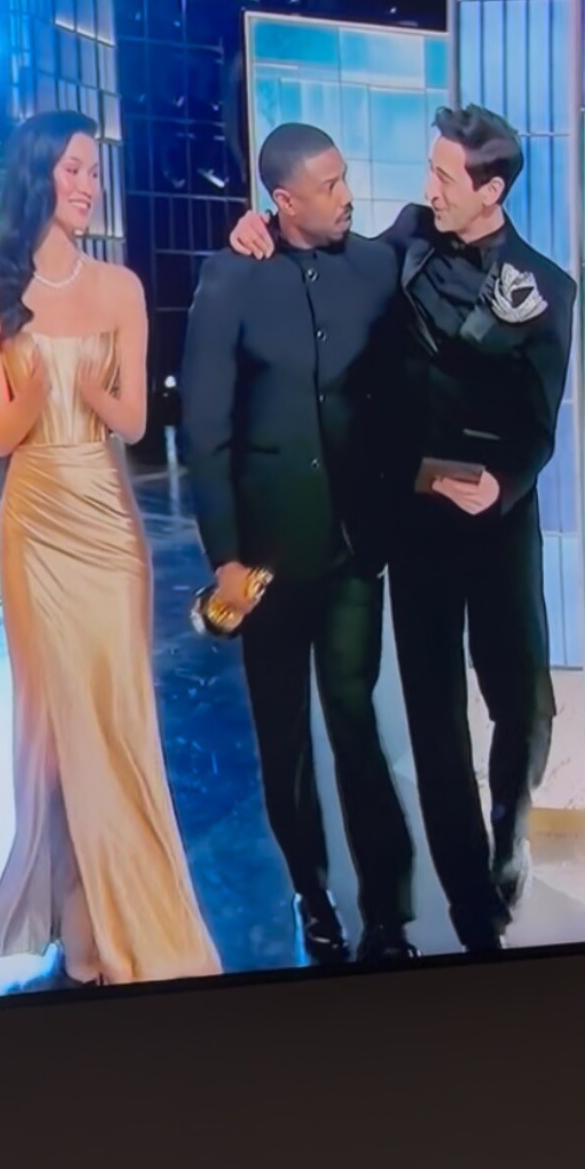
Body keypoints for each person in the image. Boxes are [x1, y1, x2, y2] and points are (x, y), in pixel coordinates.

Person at [230, 104, 576, 956]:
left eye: (444, 177)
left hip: (498, 524)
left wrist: (502, 484)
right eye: (430, 171)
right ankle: (471, 903)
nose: (429, 189)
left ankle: (510, 825)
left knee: (523, 704)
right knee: (434, 718)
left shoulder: (547, 288)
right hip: (416, 521)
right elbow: (332, 259)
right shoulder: (410, 238)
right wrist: (262, 228)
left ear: (492, 191)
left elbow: (540, 428)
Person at [0, 110, 219, 990]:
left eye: (93, 170)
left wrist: (91, 393)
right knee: (55, 726)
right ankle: (82, 921)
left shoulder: (119, 287)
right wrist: (36, 394)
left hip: (107, 527)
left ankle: (136, 916)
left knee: (116, 720)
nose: (87, 184)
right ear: (37, 174)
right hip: (34, 523)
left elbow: (137, 421)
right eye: (73, 168)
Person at [180, 121, 416, 971]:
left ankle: (388, 915)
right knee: (283, 738)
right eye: (329, 185)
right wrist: (225, 559)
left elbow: (428, 226)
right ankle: (312, 901)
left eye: (345, 178)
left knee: (354, 719)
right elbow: (204, 429)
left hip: (353, 546)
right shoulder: (232, 278)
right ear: (283, 201)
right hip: (265, 559)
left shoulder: (377, 265)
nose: (347, 196)